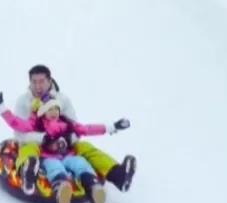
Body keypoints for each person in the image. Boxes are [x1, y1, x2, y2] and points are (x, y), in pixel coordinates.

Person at [0, 90, 130, 203]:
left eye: (56, 109)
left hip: (68, 155)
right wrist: (1, 107)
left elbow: (87, 129)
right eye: (49, 110)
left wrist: (112, 127)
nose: (53, 112)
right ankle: (62, 189)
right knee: (55, 167)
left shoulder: (67, 123)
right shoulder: (37, 124)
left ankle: (93, 188)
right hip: (48, 156)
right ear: (43, 112)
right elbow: (16, 123)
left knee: (80, 163)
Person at [8, 65, 137, 196]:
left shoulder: (62, 100)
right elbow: (20, 135)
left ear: (50, 81)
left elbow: (77, 128)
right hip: (37, 145)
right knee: (28, 148)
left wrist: (68, 139)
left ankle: (118, 175)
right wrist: (44, 139)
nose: (37, 86)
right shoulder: (23, 102)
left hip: (64, 146)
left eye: (41, 81)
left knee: (85, 146)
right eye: (34, 82)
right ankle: (28, 173)